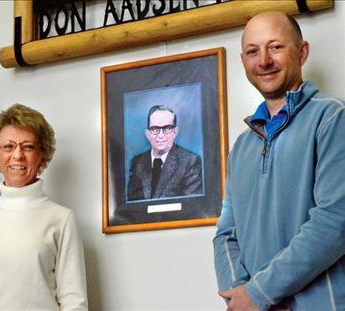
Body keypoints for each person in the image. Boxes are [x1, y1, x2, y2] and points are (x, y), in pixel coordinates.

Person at [213, 12, 345, 311]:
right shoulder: (242, 146)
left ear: (302, 52)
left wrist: (259, 294)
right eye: (252, 51)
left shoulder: (333, 118)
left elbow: (335, 221)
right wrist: (240, 294)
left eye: (275, 47)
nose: (263, 61)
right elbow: (226, 233)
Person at [0, 104, 88, 310]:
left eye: (28, 146)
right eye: (8, 146)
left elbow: (74, 301)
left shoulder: (61, 219)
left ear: (42, 156)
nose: (18, 155)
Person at [127, 105, 202, 201]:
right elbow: (132, 206)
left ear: (175, 132)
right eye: (155, 129)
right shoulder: (137, 162)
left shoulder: (190, 161)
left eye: (167, 129)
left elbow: (192, 205)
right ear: (148, 134)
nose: (161, 136)